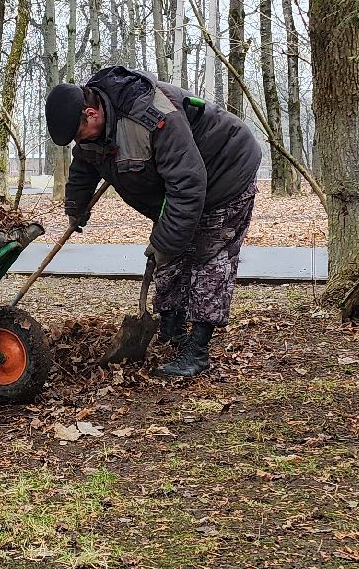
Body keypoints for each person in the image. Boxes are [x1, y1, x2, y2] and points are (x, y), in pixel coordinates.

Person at [45, 67, 262, 378]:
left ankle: (197, 350)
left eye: (80, 134)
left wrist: (166, 242)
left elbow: (188, 184)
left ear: (91, 114)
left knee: (208, 257)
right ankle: (172, 326)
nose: (80, 143)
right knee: (171, 252)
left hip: (225, 171)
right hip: (179, 188)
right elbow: (86, 160)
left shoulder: (151, 116)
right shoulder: (95, 128)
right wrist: (75, 206)